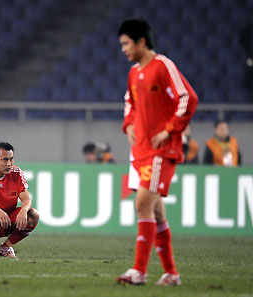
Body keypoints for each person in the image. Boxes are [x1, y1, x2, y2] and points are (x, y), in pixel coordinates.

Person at [116, 19, 198, 286]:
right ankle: (171, 274)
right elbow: (129, 101)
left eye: (127, 43)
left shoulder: (163, 65)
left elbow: (187, 97)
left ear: (141, 41)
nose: (124, 49)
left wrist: (171, 128)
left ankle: (138, 271)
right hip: (140, 151)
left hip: (161, 151)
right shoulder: (133, 73)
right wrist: (128, 123)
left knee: (142, 205)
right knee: (157, 212)